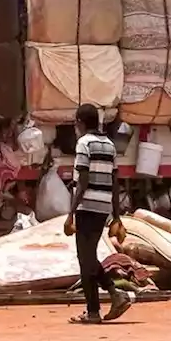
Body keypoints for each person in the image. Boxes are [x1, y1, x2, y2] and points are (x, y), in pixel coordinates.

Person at [64, 104, 134, 324]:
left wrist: (71, 212)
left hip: (87, 206)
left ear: (80, 123)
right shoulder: (109, 146)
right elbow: (114, 182)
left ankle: (109, 298)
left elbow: (82, 180)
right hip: (103, 207)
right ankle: (99, 306)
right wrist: (116, 214)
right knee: (88, 257)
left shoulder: (83, 143)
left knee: (85, 259)